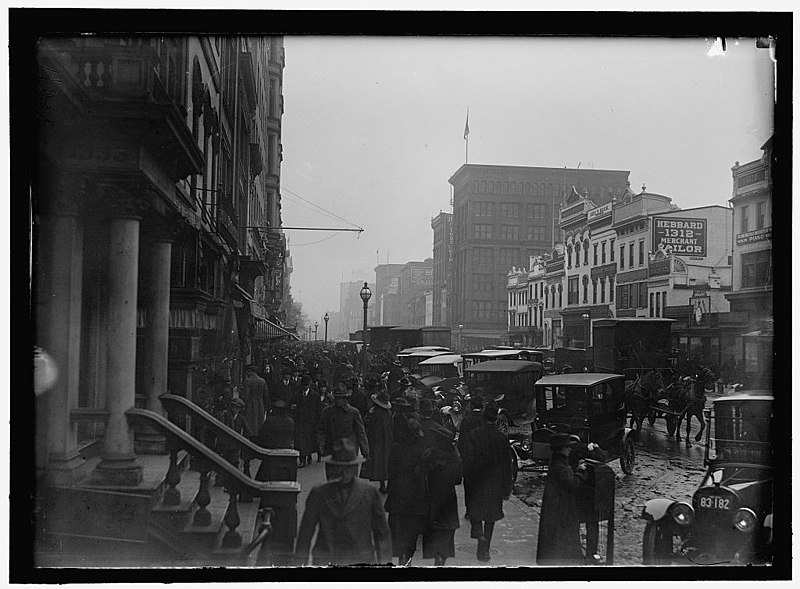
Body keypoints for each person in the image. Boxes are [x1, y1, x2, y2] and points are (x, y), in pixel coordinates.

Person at [294, 438, 392, 566]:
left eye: (348, 468)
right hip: (326, 558)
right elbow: (305, 533)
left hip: (361, 559)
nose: (344, 472)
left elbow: (382, 533)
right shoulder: (319, 493)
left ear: (354, 467)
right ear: (334, 467)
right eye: (340, 467)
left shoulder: (369, 492)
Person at [460, 404, 513, 562]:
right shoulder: (502, 438)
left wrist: (467, 478)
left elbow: (468, 459)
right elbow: (507, 464)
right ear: (496, 420)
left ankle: (478, 532)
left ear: (483, 419)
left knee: (475, 510)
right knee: (490, 517)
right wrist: (507, 488)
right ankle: (485, 549)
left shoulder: (473, 435)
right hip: (494, 483)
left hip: (476, 481)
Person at [536, 432, 589, 566]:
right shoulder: (560, 466)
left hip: (555, 505)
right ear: (562, 449)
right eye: (567, 447)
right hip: (561, 508)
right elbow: (572, 484)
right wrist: (580, 471)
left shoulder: (557, 461)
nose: (570, 449)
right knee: (562, 536)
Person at [385, 415, 429, 566]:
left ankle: (400, 561)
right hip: (416, 500)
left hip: (398, 498)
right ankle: (406, 562)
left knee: (397, 533)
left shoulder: (396, 448)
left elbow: (390, 471)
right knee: (411, 536)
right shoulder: (423, 449)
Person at [422, 425, 463, 567]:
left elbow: (422, 473)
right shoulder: (454, 456)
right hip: (449, 498)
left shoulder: (430, 455)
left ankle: (436, 559)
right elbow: (458, 480)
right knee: (447, 531)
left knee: (433, 530)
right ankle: (441, 560)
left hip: (431, 497)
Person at [317, 381, 370, 480]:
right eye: (337, 398)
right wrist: (321, 446)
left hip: (349, 451)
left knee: (350, 481)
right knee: (332, 481)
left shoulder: (353, 412)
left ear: (346, 398)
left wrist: (365, 451)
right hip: (332, 449)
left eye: (341, 398)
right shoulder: (327, 412)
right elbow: (321, 430)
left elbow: (361, 432)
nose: (338, 401)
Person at [457, 395, 485, 519]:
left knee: (469, 485)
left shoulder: (467, 420)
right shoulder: (485, 419)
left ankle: (470, 511)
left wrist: (461, 455)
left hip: (469, 457)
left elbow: (462, 440)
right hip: (482, 457)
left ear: (472, 406)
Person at [360, 390, 393, 494]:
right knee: (387, 461)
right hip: (387, 440)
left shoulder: (374, 413)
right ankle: (387, 484)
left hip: (376, 440)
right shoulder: (388, 413)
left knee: (378, 462)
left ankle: (382, 484)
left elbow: (365, 422)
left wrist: (368, 414)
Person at [254, 399, 295, 481]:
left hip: (272, 453)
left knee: (263, 476)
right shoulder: (290, 421)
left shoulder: (269, 421)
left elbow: (261, 436)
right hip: (287, 452)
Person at [290, 374, 322, 467]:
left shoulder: (315, 396)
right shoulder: (297, 395)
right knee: (300, 442)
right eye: (303, 385)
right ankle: (302, 460)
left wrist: (318, 423)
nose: (305, 387)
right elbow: (290, 404)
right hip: (299, 422)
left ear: (309, 385)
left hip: (311, 422)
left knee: (309, 441)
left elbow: (319, 410)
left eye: (306, 385)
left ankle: (309, 456)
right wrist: (292, 407)